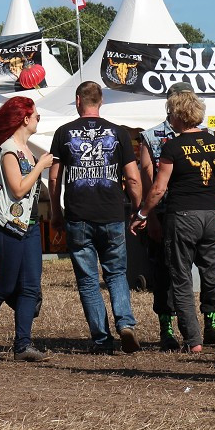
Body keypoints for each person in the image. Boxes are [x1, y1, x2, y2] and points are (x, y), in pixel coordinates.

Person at [131, 91, 215, 354]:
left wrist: (142, 215)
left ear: (178, 115)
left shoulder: (172, 146)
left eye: (171, 112)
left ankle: (194, 341)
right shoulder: (214, 143)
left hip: (182, 216)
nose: (169, 117)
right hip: (213, 215)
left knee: (181, 279)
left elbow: (159, 188)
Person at [48, 81, 143, 354]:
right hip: (112, 213)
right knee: (116, 273)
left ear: (78, 100)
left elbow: (54, 176)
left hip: (78, 215)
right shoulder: (119, 133)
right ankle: (125, 324)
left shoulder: (63, 133)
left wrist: (56, 213)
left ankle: (102, 339)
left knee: (88, 280)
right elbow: (133, 179)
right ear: (101, 102)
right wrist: (138, 210)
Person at [0, 97, 53, 362]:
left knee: (30, 287)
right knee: (4, 286)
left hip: (29, 227)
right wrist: (40, 167)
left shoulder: (26, 149)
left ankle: (23, 345)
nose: (39, 119)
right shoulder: (9, 150)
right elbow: (17, 189)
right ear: (24, 118)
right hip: (6, 228)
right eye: (36, 115)